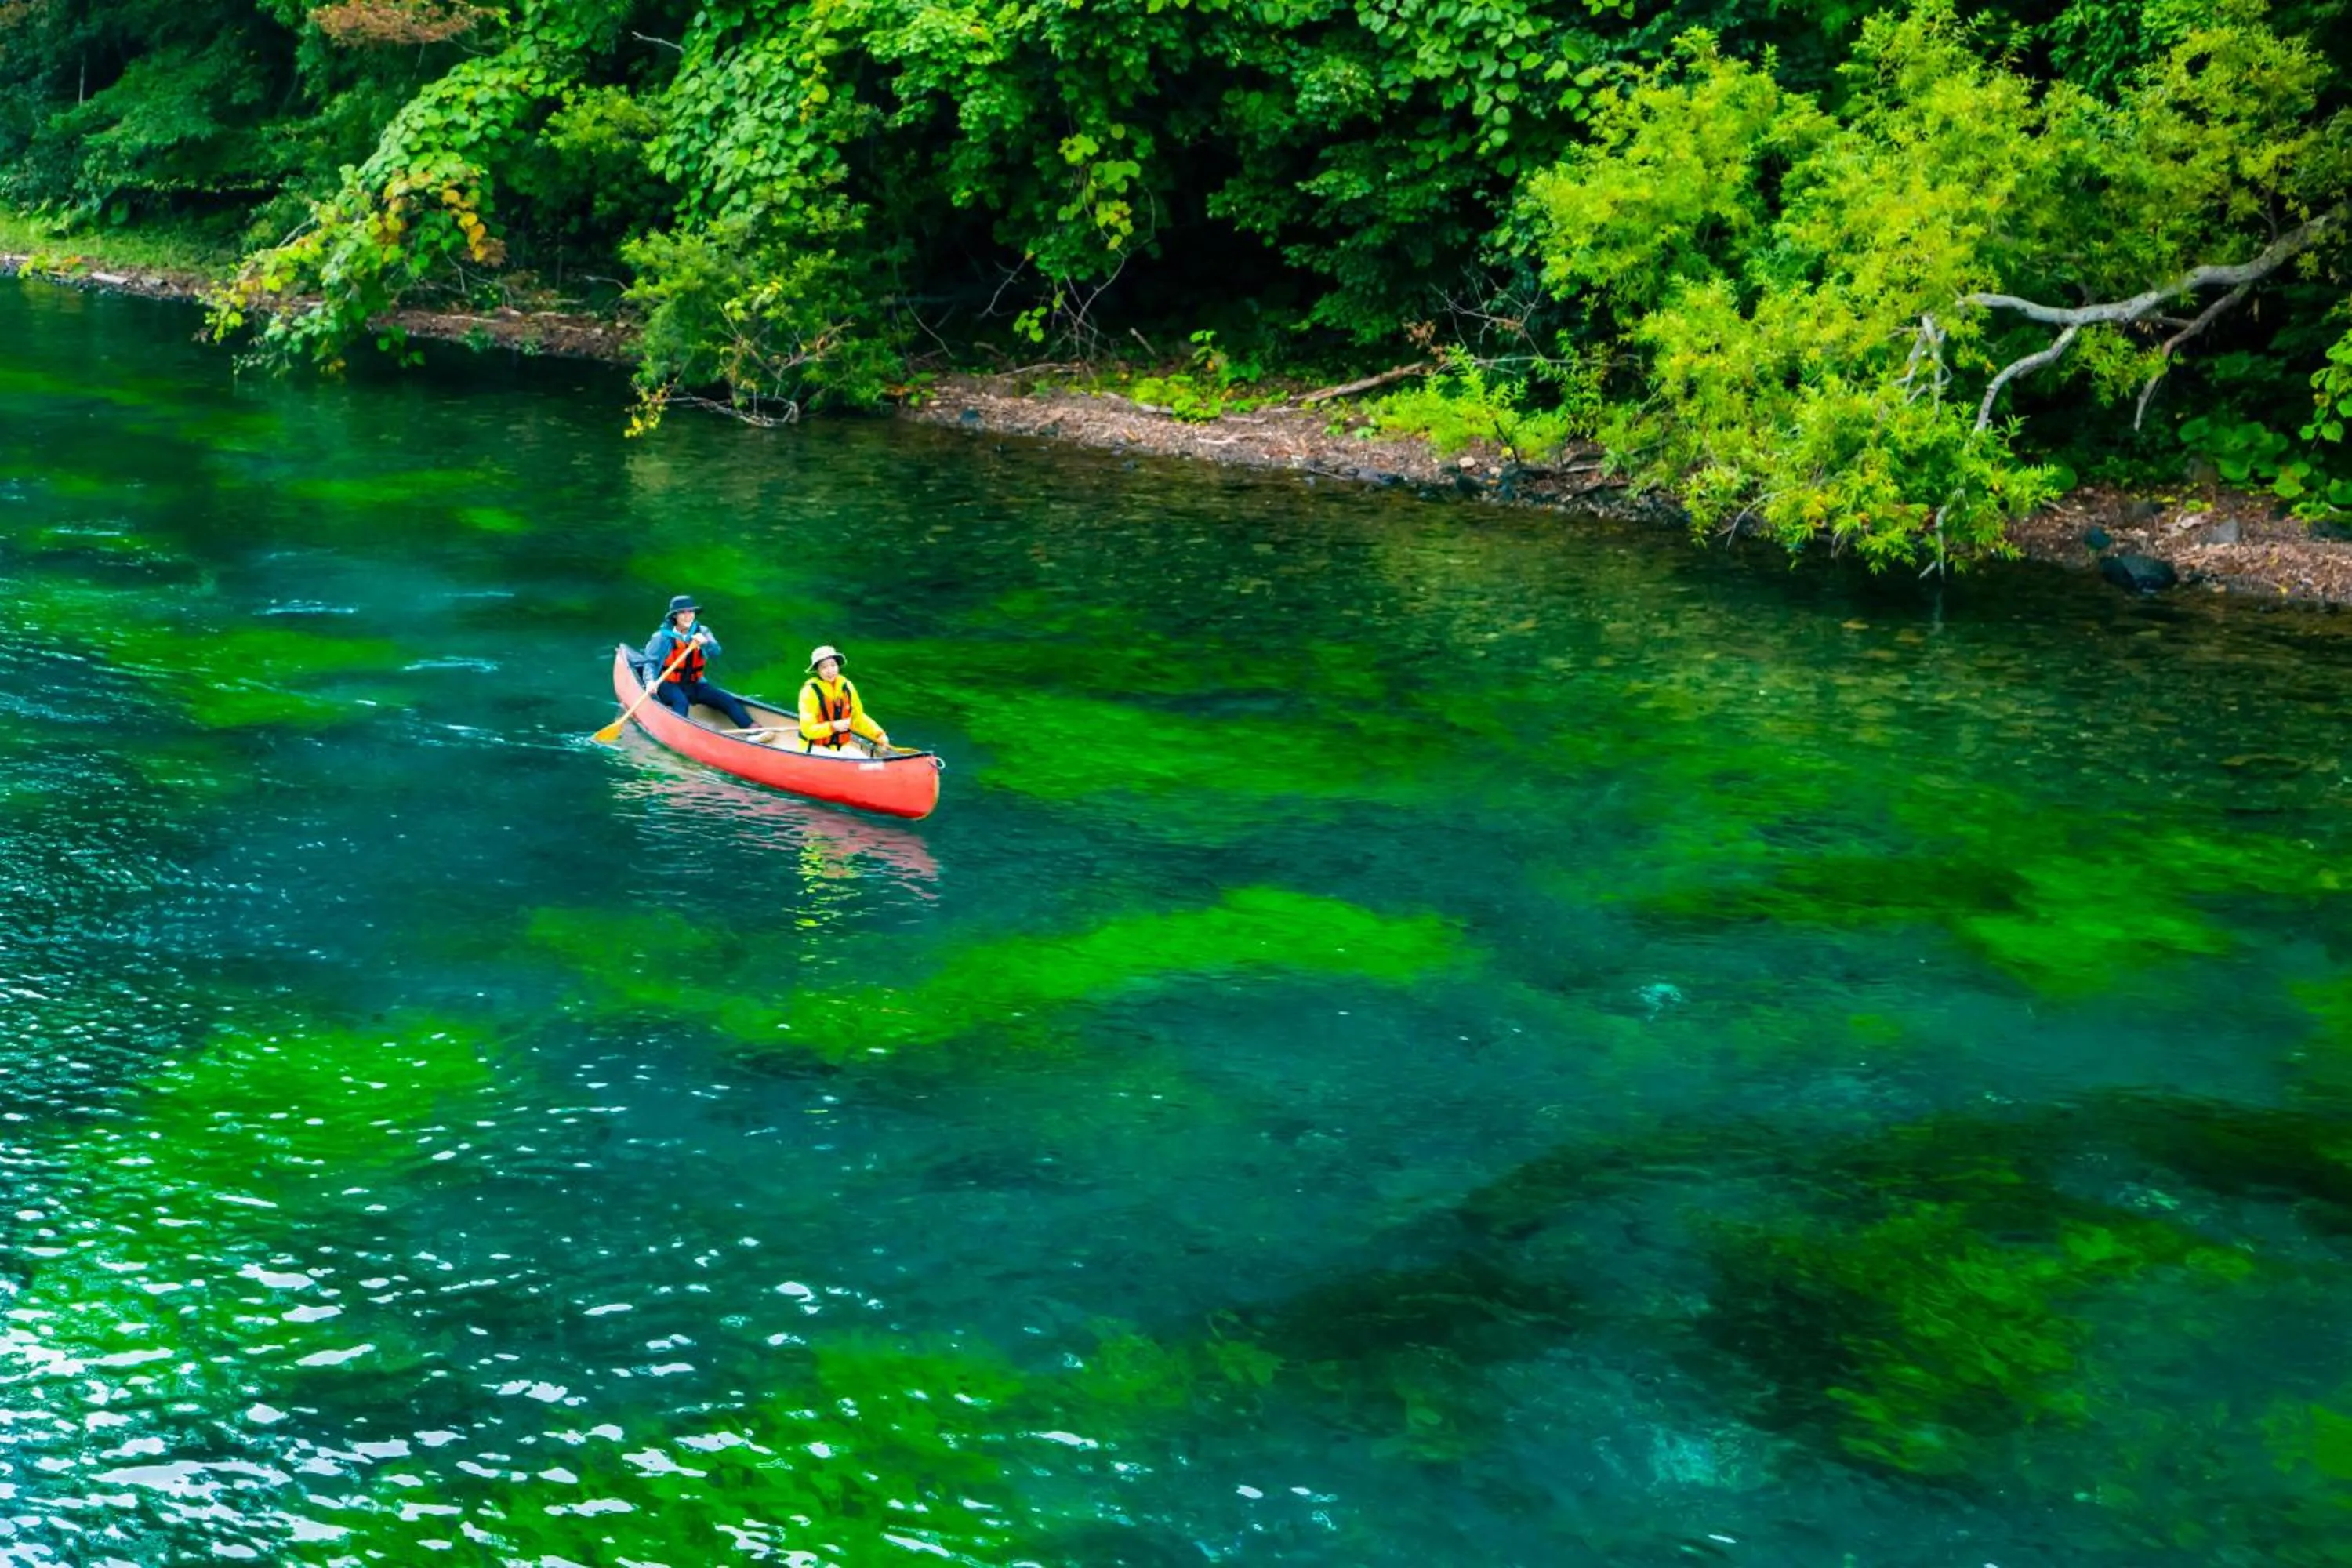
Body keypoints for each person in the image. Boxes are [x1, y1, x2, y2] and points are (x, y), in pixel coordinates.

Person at [644, 595, 754, 730]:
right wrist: (650, 682)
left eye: (691, 611)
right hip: (668, 684)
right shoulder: (661, 637)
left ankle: (753, 729)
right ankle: (676, 732)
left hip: (695, 684)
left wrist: (706, 644)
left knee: (726, 700)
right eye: (682, 612)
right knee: (681, 702)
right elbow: (650, 663)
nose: (688, 616)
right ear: (675, 616)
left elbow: (716, 653)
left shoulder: (703, 632)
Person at [797, 644, 891, 756]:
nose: (830, 670)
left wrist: (879, 735)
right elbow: (807, 730)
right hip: (814, 748)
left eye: (833, 665)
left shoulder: (847, 687)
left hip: (839, 747)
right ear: (817, 670)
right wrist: (833, 726)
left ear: (838, 666)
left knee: (865, 760)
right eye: (824, 667)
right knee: (850, 761)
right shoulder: (809, 692)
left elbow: (857, 717)